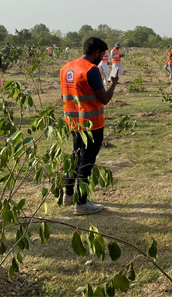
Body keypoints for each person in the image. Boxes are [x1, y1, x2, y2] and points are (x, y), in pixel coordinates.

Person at [60, 37, 119, 215]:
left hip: (73, 121)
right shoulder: (92, 71)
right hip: (92, 124)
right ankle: (82, 202)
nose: (103, 58)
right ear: (96, 53)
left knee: (75, 156)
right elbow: (104, 99)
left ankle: (68, 193)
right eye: (102, 55)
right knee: (87, 161)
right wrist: (113, 84)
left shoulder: (66, 67)